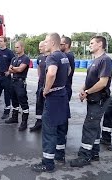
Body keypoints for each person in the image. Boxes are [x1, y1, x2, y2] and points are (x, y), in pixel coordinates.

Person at [70, 36, 112, 167]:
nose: (90, 45)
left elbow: (102, 82)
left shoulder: (105, 60)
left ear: (100, 44)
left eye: (91, 43)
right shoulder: (95, 60)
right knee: (94, 126)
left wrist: (87, 92)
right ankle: (94, 153)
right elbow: (90, 79)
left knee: (89, 127)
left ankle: (84, 156)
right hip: (93, 99)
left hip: (99, 99)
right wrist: (83, 89)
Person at [31, 33, 70, 173]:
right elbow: (69, 70)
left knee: (49, 131)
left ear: (53, 43)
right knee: (60, 127)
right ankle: (60, 155)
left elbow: (51, 73)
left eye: (46, 42)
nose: (44, 44)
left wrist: (46, 89)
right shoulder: (64, 56)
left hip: (53, 97)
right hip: (62, 95)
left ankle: (48, 163)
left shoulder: (52, 57)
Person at [4, 41, 30, 131]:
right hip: (13, 81)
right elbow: (9, 69)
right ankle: (14, 118)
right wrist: (14, 69)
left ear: (22, 48)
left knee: (23, 101)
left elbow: (20, 69)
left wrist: (13, 69)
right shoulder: (14, 59)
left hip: (20, 82)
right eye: (15, 47)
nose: (16, 49)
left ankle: (24, 122)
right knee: (14, 101)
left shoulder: (25, 58)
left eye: (18, 47)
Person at [29, 41, 48, 132]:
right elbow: (39, 68)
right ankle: (38, 122)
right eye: (39, 46)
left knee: (47, 105)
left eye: (41, 46)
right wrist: (39, 79)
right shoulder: (40, 57)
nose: (39, 48)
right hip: (40, 84)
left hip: (48, 85)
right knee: (39, 103)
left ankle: (47, 124)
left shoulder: (51, 57)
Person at [60, 36, 75, 101]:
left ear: (66, 45)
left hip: (65, 87)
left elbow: (68, 71)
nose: (59, 46)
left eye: (61, 44)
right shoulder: (66, 55)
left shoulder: (68, 56)